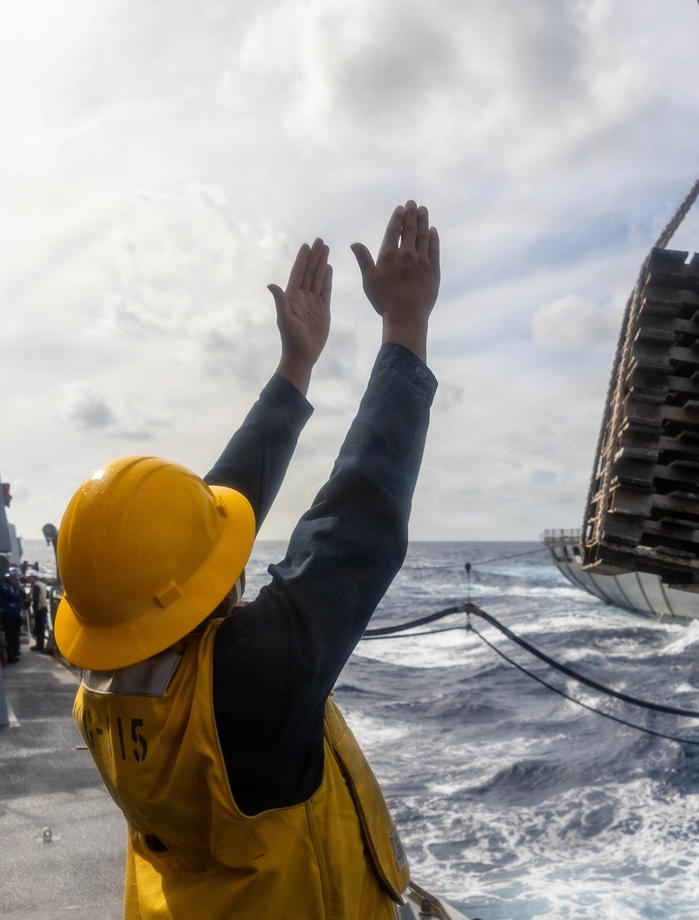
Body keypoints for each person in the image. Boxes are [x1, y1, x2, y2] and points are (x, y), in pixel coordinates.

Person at [53, 200, 440, 919]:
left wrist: (295, 367)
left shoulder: (99, 690)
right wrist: (405, 328)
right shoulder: (246, 693)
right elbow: (358, 524)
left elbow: (186, 536)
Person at [0, 567, 21, 664]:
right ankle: (10, 655)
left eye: (15, 579)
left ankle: (15, 651)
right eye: (12, 578)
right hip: (8, 614)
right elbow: (12, 597)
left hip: (15, 614)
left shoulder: (15, 587)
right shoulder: (5, 587)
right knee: (9, 636)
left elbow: (20, 596)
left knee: (15, 634)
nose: (14, 580)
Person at [24, 571, 48, 652]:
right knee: (42, 627)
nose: (28, 580)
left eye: (29, 578)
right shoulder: (42, 585)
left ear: (34, 578)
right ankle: (40, 645)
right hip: (44, 609)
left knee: (38, 627)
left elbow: (36, 599)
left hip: (39, 610)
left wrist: (34, 611)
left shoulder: (36, 586)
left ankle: (39, 646)